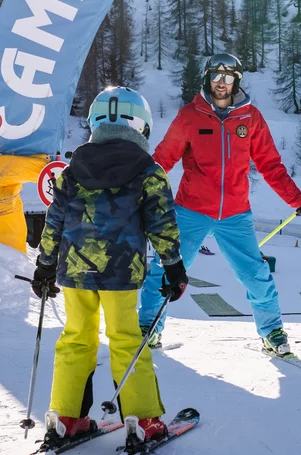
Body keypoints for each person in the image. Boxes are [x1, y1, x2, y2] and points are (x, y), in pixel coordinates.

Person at [31, 86, 189, 447]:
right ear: (141, 125)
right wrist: (174, 267)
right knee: (126, 339)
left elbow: (54, 220)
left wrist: (44, 265)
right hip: (121, 272)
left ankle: (68, 417)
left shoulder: (72, 170)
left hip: (75, 271)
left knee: (76, 338)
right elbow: (161, 223)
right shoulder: (148, 170)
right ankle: (143, 419)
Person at [141, 53, 301, 355]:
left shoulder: (250, 118)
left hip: (235, 214)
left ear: (237, 81)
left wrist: (295, 198)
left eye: (228, 77)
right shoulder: (190, 116)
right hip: (191, 210)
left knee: (256, 274)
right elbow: (163, 159)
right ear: (207, 78)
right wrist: (137, 188)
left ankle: (272, 333)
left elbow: (270, 163)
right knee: (167, 268)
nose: (222, 83)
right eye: (217, 77)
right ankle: (148, 328)